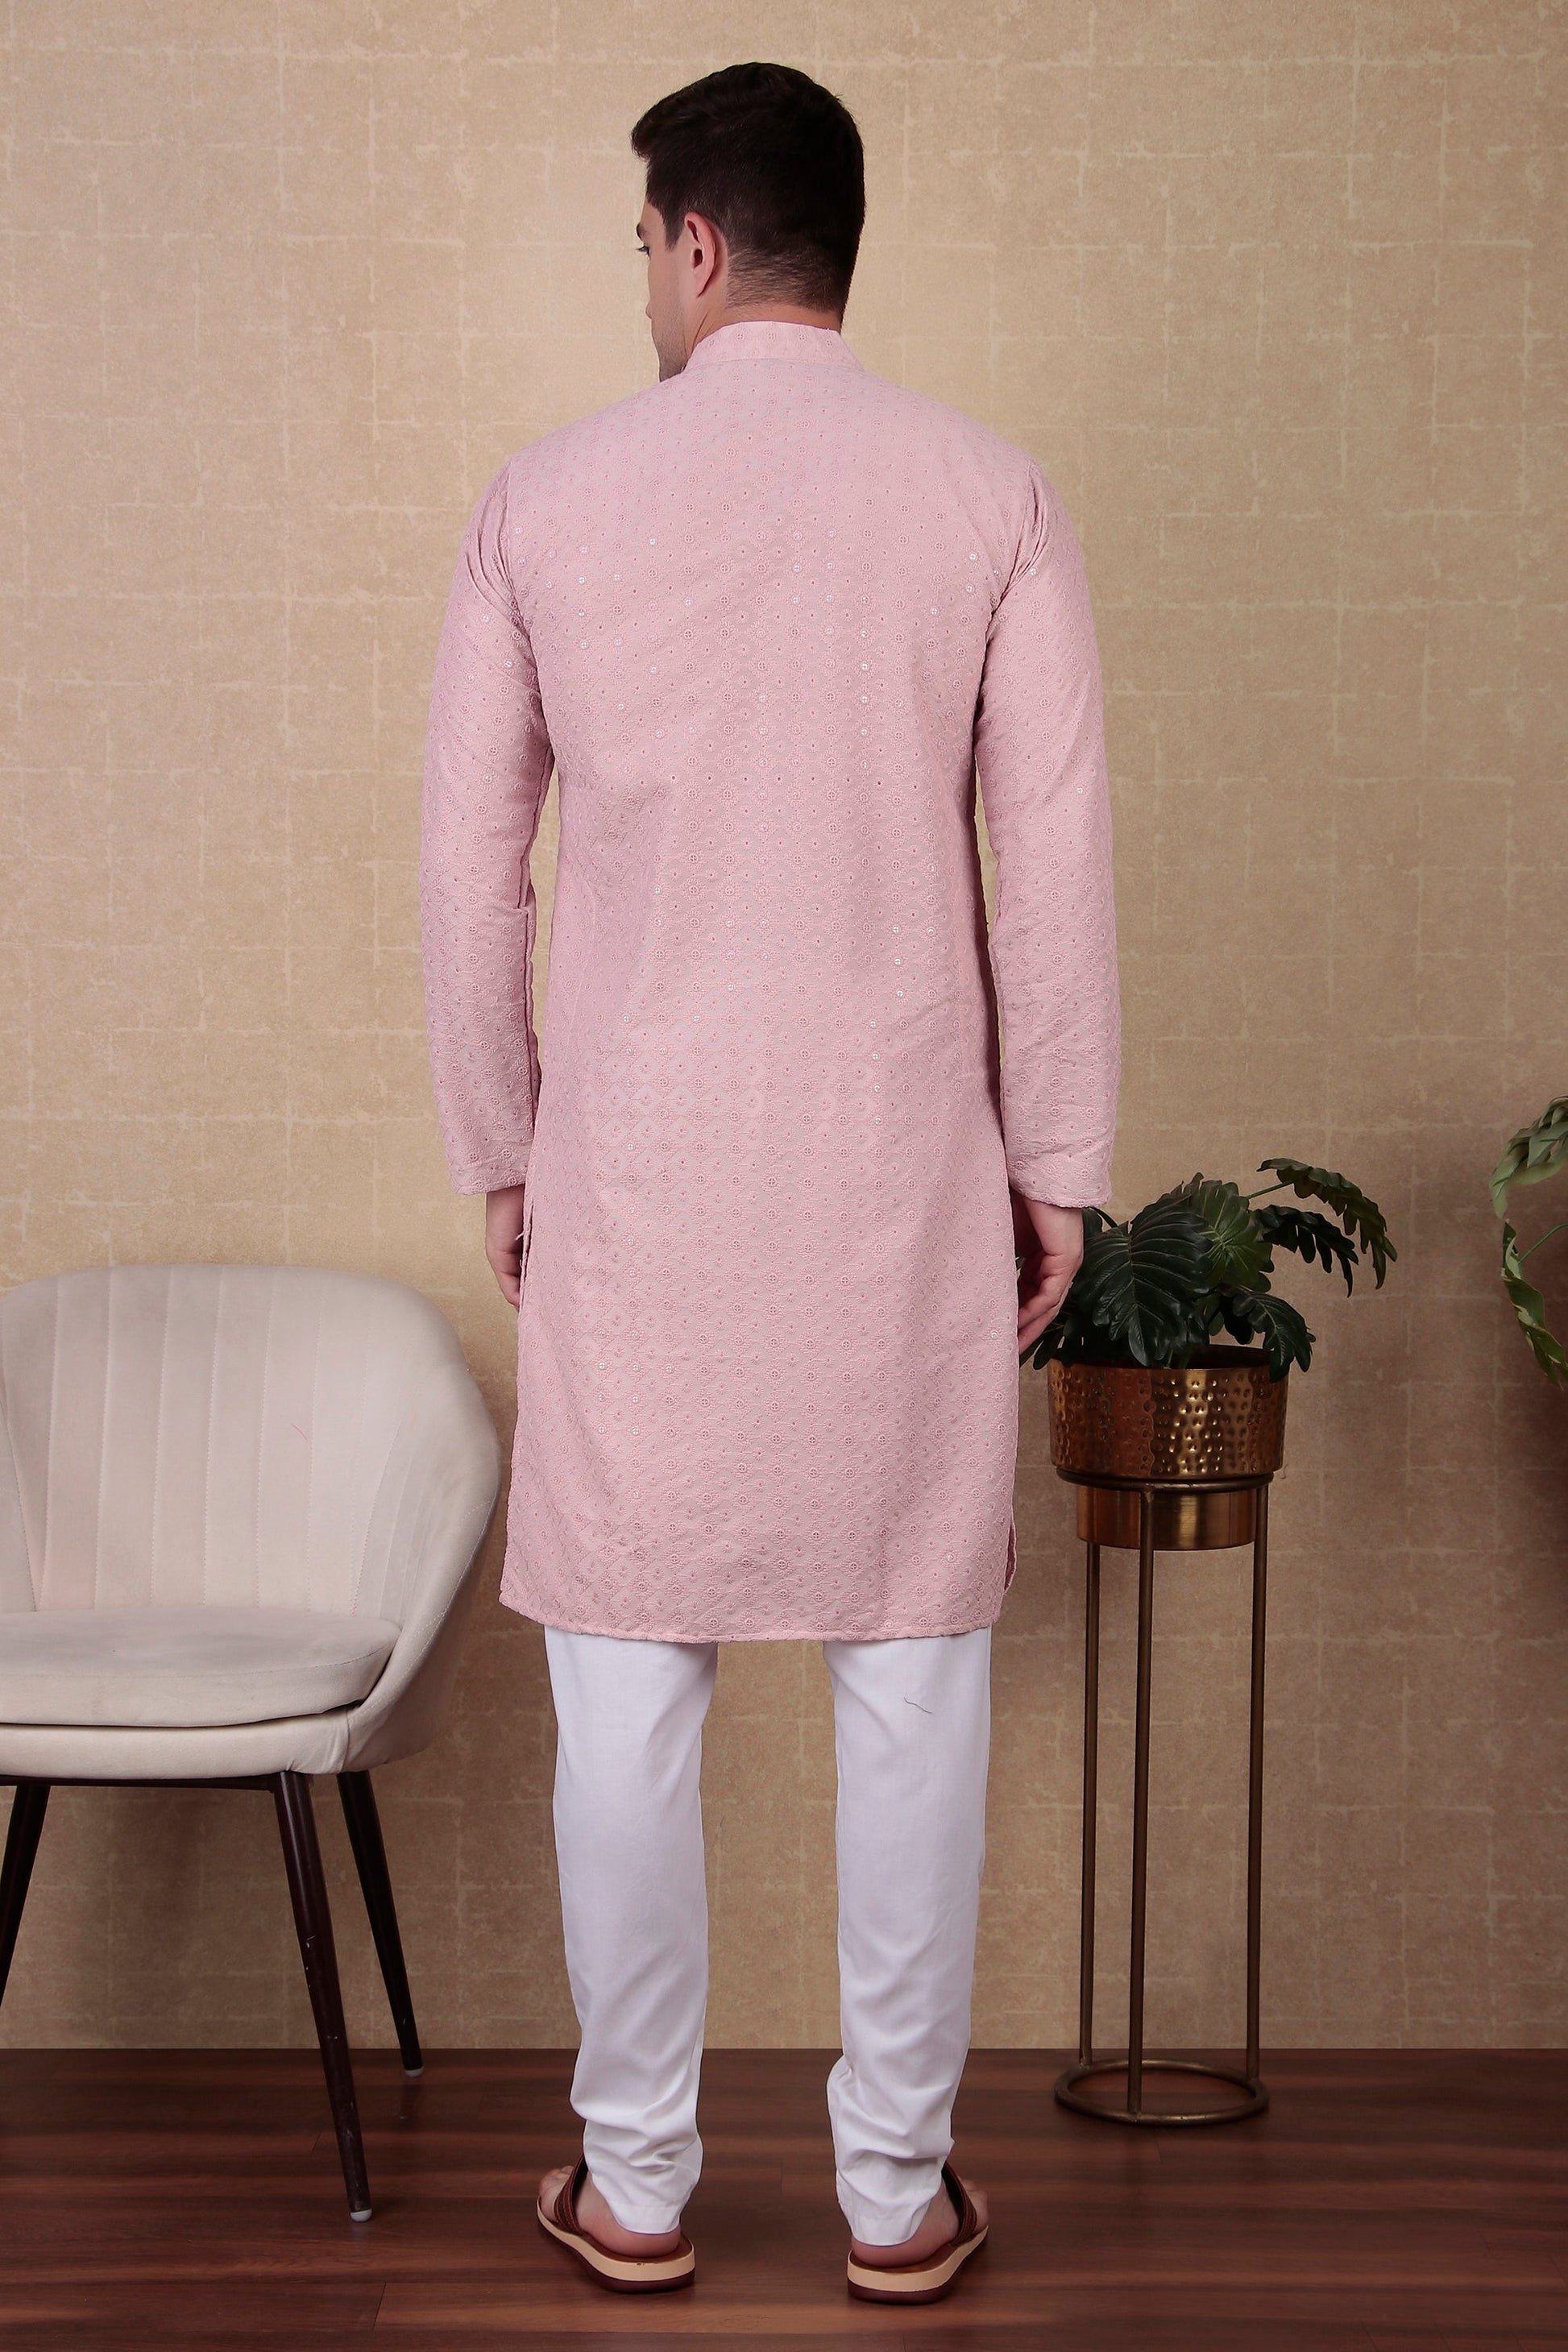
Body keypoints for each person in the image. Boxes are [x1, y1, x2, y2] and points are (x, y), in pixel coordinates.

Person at [418, 59, 1121, 2306]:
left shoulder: (541, 502)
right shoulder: (990, 497)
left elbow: (469, 874)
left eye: (645, 242)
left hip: (635, 1177)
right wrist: (1059, 1163)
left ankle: (636, 2182)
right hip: (903, 1170)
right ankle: (894, 2198)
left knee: (625, 1684)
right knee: (910, 1675)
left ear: (698, 243)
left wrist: (504, 1141)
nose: (645, 275)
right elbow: (1053, 866)